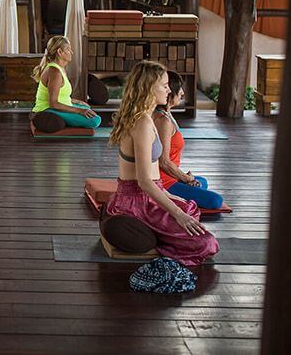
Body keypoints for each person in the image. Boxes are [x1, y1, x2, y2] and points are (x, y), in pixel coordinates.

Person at [106, 61, 219, 266]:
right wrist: (177, 214)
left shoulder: (147, 117)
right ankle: (158, 238)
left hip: (147, 194)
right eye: (165, 85)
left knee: (190, 208)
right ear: (149, 87)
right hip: (137, 202)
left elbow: (154, 179)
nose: (169, 90)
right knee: (207, 244)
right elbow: (144, 182)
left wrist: (174, 200)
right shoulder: (142, 123)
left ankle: (164, 234)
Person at [153, 71, 224, 210]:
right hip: (164, 182)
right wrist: (187, 179)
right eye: (179, 88)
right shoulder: (163, 122)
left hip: (170, 176)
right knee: (216, 200)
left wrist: (185, 178)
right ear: (169, 91)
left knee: (202, 181)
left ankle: (187, 187)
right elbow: (164, 161)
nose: (182, 93)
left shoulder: (166, 115)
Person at [31, 35, 101, 129]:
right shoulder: (55, 72)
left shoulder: (60, 69)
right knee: (95, 120)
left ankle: (64, 120)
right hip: (47, 109)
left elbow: (60, 95)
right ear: (60, 52)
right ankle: (50, 120)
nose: (71, 52)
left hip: (56, 107)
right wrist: (79, 111)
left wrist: (77, 102)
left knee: (87, 109)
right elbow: (53, 103)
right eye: (68, 49)